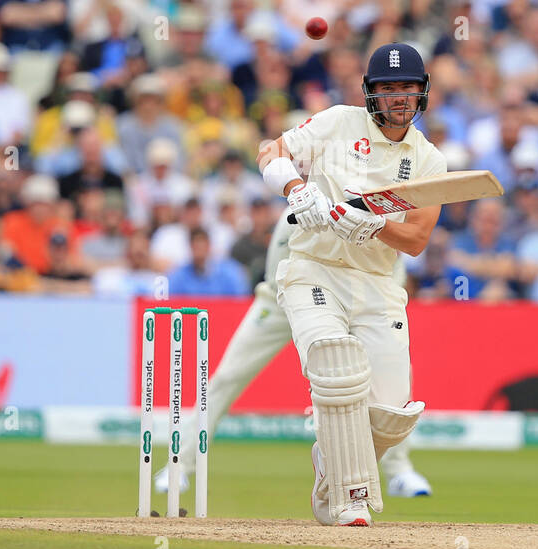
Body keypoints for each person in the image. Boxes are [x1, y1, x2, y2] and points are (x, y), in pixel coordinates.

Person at [256, 42, 446, 526]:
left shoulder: (429, 160)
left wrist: (368, 223)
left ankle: (330, 467)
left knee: (392, 416)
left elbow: (418, 239)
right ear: (371, 93)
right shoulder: (338, 122)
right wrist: (297, 189)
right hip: (313, 271)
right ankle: (351, 501)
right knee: (335, 364)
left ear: (422, 94)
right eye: (388, 88)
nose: (398, 97)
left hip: (376, 284)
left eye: (407, 88)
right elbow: (270, 149)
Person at [153, 205, 434, 499]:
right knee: (227, 376)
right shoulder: (307, 203)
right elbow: (277, 265)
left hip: (357, 302)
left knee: (395, 373)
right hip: (282, 300)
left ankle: (398, 471)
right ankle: (178, 466)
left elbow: (394, 271)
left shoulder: (380, 213)